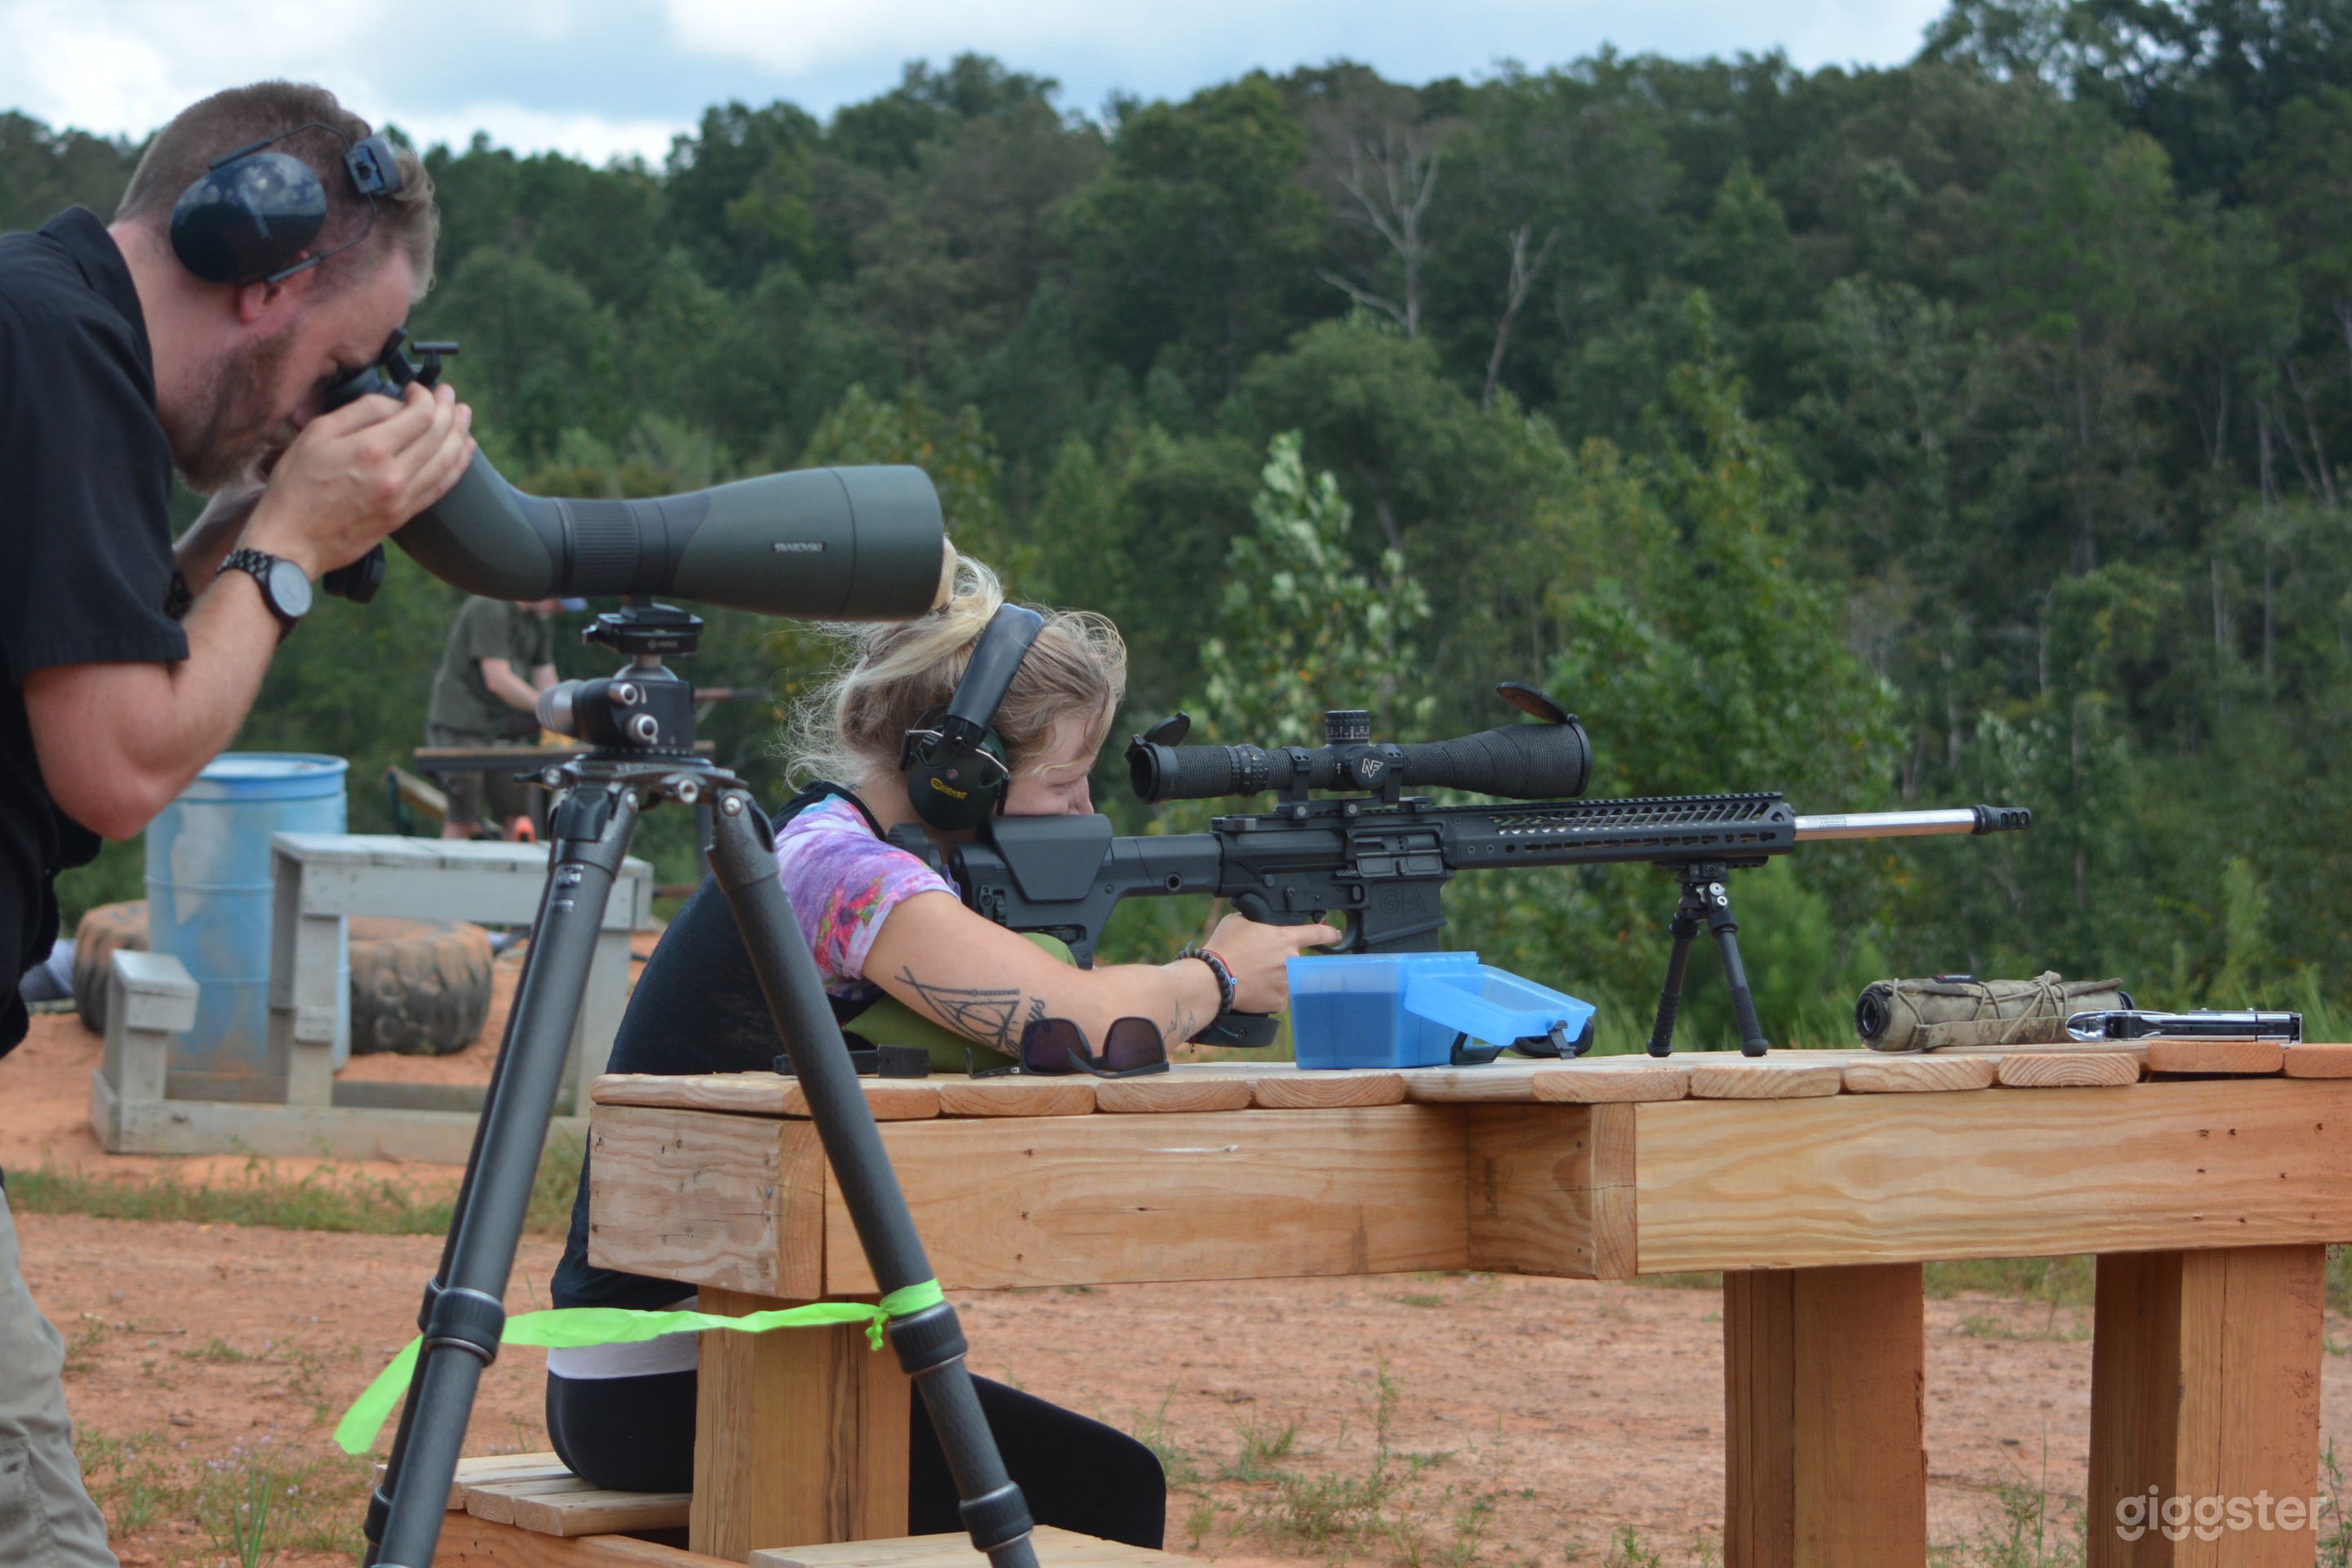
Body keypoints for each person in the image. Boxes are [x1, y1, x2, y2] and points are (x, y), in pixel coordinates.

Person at [546, 558, 1339, 1548]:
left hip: (709, 1349)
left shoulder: (859, 852)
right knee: (1108, 1490)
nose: (1085, 810)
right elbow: (1086, 1026)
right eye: (1064, 782)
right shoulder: (836, 868)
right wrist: (1218, 976)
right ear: (959, 776)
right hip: (665, 1375)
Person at [0, 82, 474, 1568]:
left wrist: (230, 532)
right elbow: (117, 761)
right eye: (334, 365)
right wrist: (285, 549)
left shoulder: (38, 327)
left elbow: (86, 650)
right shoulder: (54, 349)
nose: (311, 408)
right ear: (261, 272)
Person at [425, 595, 562, 839]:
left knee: (519, 819)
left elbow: (546, 678)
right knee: (463, 818)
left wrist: (565, 715)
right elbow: (498, 681)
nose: (560, 608)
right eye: (558, 600)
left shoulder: (538, 620)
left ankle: (515, 863)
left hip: (501, 728)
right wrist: (547, 710)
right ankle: (452, 863)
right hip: (461, 725)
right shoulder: (491, 607)